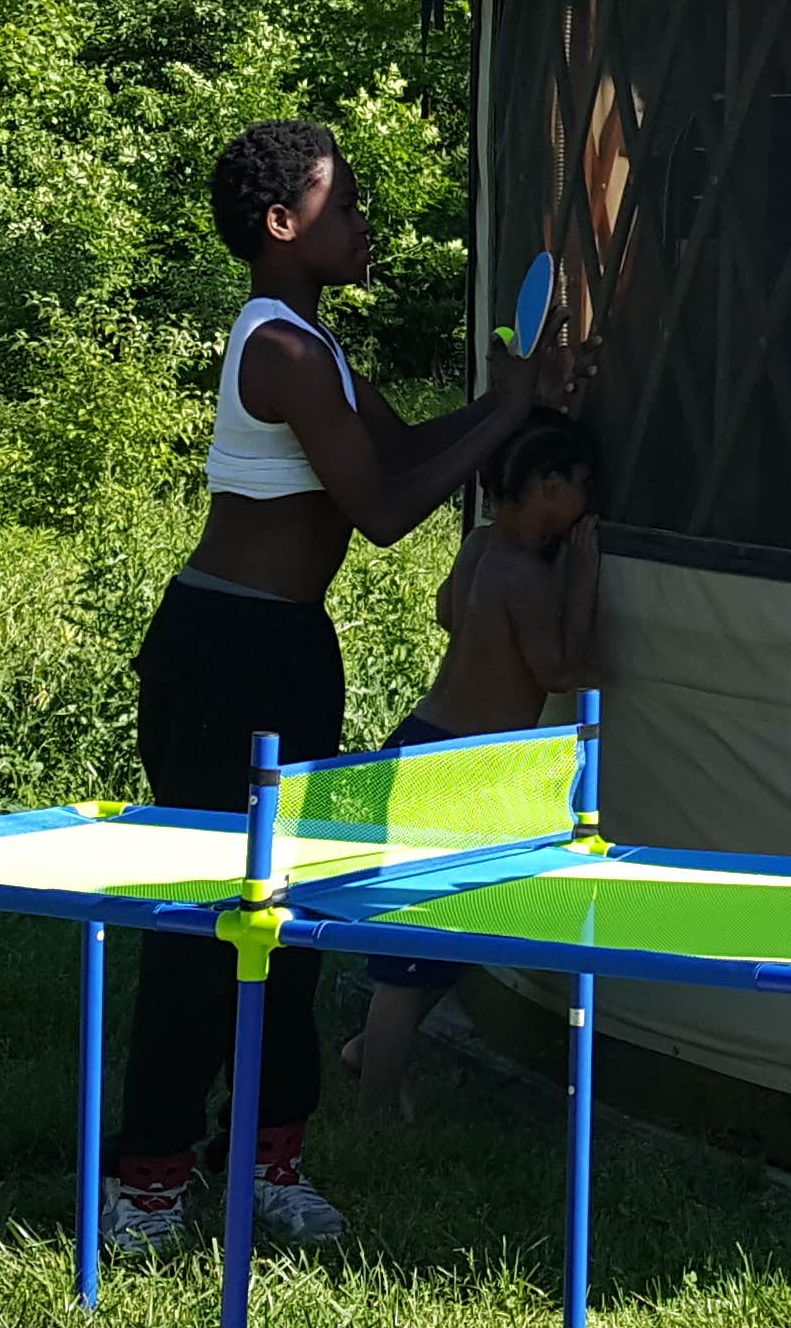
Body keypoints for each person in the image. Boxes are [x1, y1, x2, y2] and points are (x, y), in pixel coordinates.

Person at [107, 118, 577, 1255]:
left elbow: (408, 447)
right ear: (283, 225)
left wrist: (510, 404)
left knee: (289, 912)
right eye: (346, 203)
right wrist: (509, 417)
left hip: (286, 651)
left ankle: (269, 1159)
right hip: (221, 654)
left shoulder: (317, 346)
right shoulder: (280, 352)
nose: (367, 223)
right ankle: (148, 1183)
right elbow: (382, 511)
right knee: (202, 917)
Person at [347, 410, 608, 1120]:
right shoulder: (525, 574)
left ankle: (370, 1051)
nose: (590, 501)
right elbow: (559, 672)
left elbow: (444, 612)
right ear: (549, 486)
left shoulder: (481, 545)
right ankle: (374, 1110)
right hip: (465, 768)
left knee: (456, 926)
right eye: (583, 486)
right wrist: (581, 582)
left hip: (428, 736)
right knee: (417, 947)